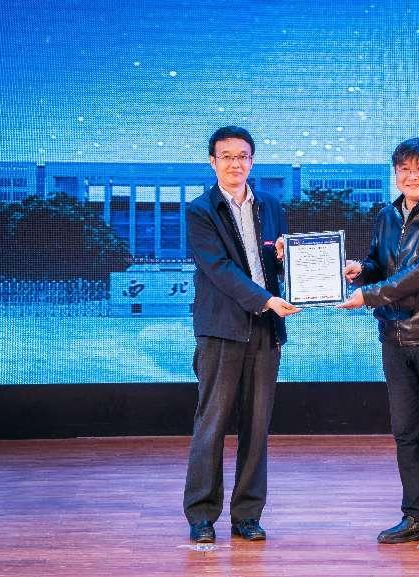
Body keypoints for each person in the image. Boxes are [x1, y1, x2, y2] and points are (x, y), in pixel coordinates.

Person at [339, 137, 419, 547]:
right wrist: (361, 270)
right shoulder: (387, 214)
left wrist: (370, 295)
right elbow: (383, 263)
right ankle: (416, 517)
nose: (412, 176)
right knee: (406, 433)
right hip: (395, 336)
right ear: (396, 173)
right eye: (404, 169)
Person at [183, 126, 300, 543]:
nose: (235, 163)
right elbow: (219, 269)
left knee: (257, 426)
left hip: (265, 330)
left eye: (243, 156)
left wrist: (286, 260)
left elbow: (276, 265)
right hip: (221, 330)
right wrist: (265, 299)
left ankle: (247, 515)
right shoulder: (200, 210)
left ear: (252, 161)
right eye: (227, 156)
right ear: (212, 162)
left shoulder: (270, 205)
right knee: (211, 424)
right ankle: (201, 516)